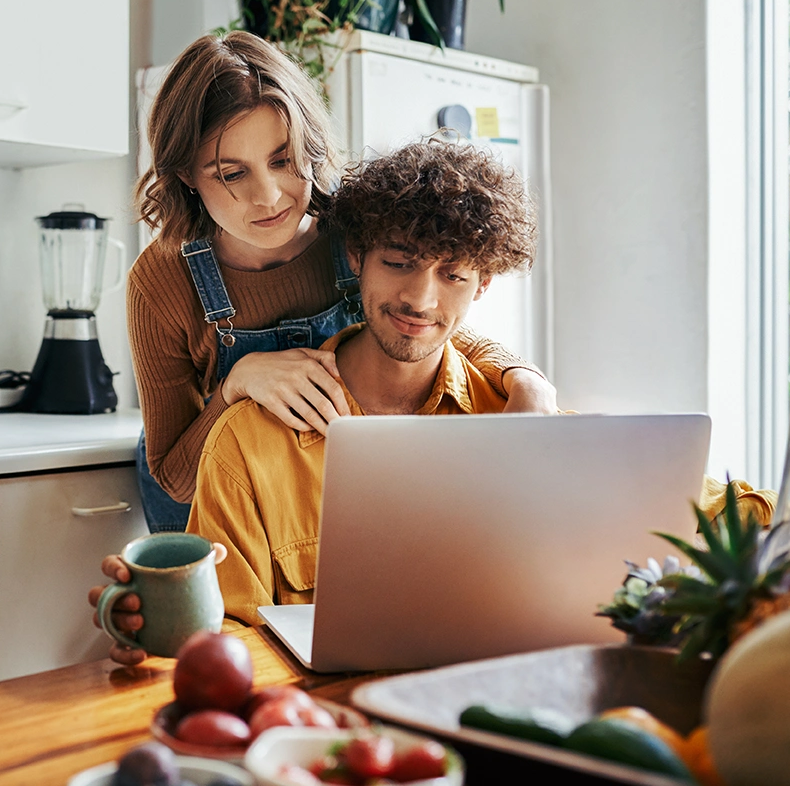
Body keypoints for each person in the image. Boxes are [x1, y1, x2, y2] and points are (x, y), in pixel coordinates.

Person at [92, 138, 777, 662]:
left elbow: (741, 519)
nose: (421, 300)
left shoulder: (520, 415)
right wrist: (159, 627)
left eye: (453, 274)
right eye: (398, 263)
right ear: (354, 257)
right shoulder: (250, 441)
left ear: (483, 286)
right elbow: (223, 641)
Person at [128, 31, 558, 535]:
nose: (269, 197)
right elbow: (175, 477)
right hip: (209, 493)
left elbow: (424, 318)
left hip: (322, 481)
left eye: (283, 160)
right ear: (185, 175)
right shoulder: (161, 282)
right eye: (231, 174)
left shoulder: (349, 229)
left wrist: (523, 377)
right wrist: (237, 383)